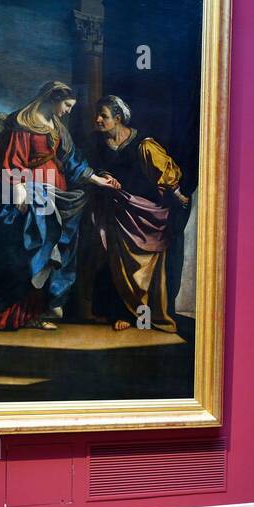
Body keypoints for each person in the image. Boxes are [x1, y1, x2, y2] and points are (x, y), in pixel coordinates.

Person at [0, 81, 117, 332]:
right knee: (17, 253)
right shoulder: (23, 123)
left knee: (47, 252)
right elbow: (11, 162)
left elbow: (72, 160)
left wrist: (97, 179)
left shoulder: (56, 126)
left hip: (54, 191)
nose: (68, 110)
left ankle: (32, 313)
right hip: (26, 194)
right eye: (67, 105)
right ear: (53, 98)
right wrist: (20, 192)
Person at [88, 95, 187, 332]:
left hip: (146, 211)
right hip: (116, 211)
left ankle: (146, 313)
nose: (98, 120)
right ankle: (122, 312)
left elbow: (166, 174)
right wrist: (102, 176)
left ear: (118, 118)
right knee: (116, 262)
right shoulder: (96, 142)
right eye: (97, 115)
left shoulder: (144, 144)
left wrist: (178, 196)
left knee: (147, 267)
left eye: (103, 115)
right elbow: (88, 168)